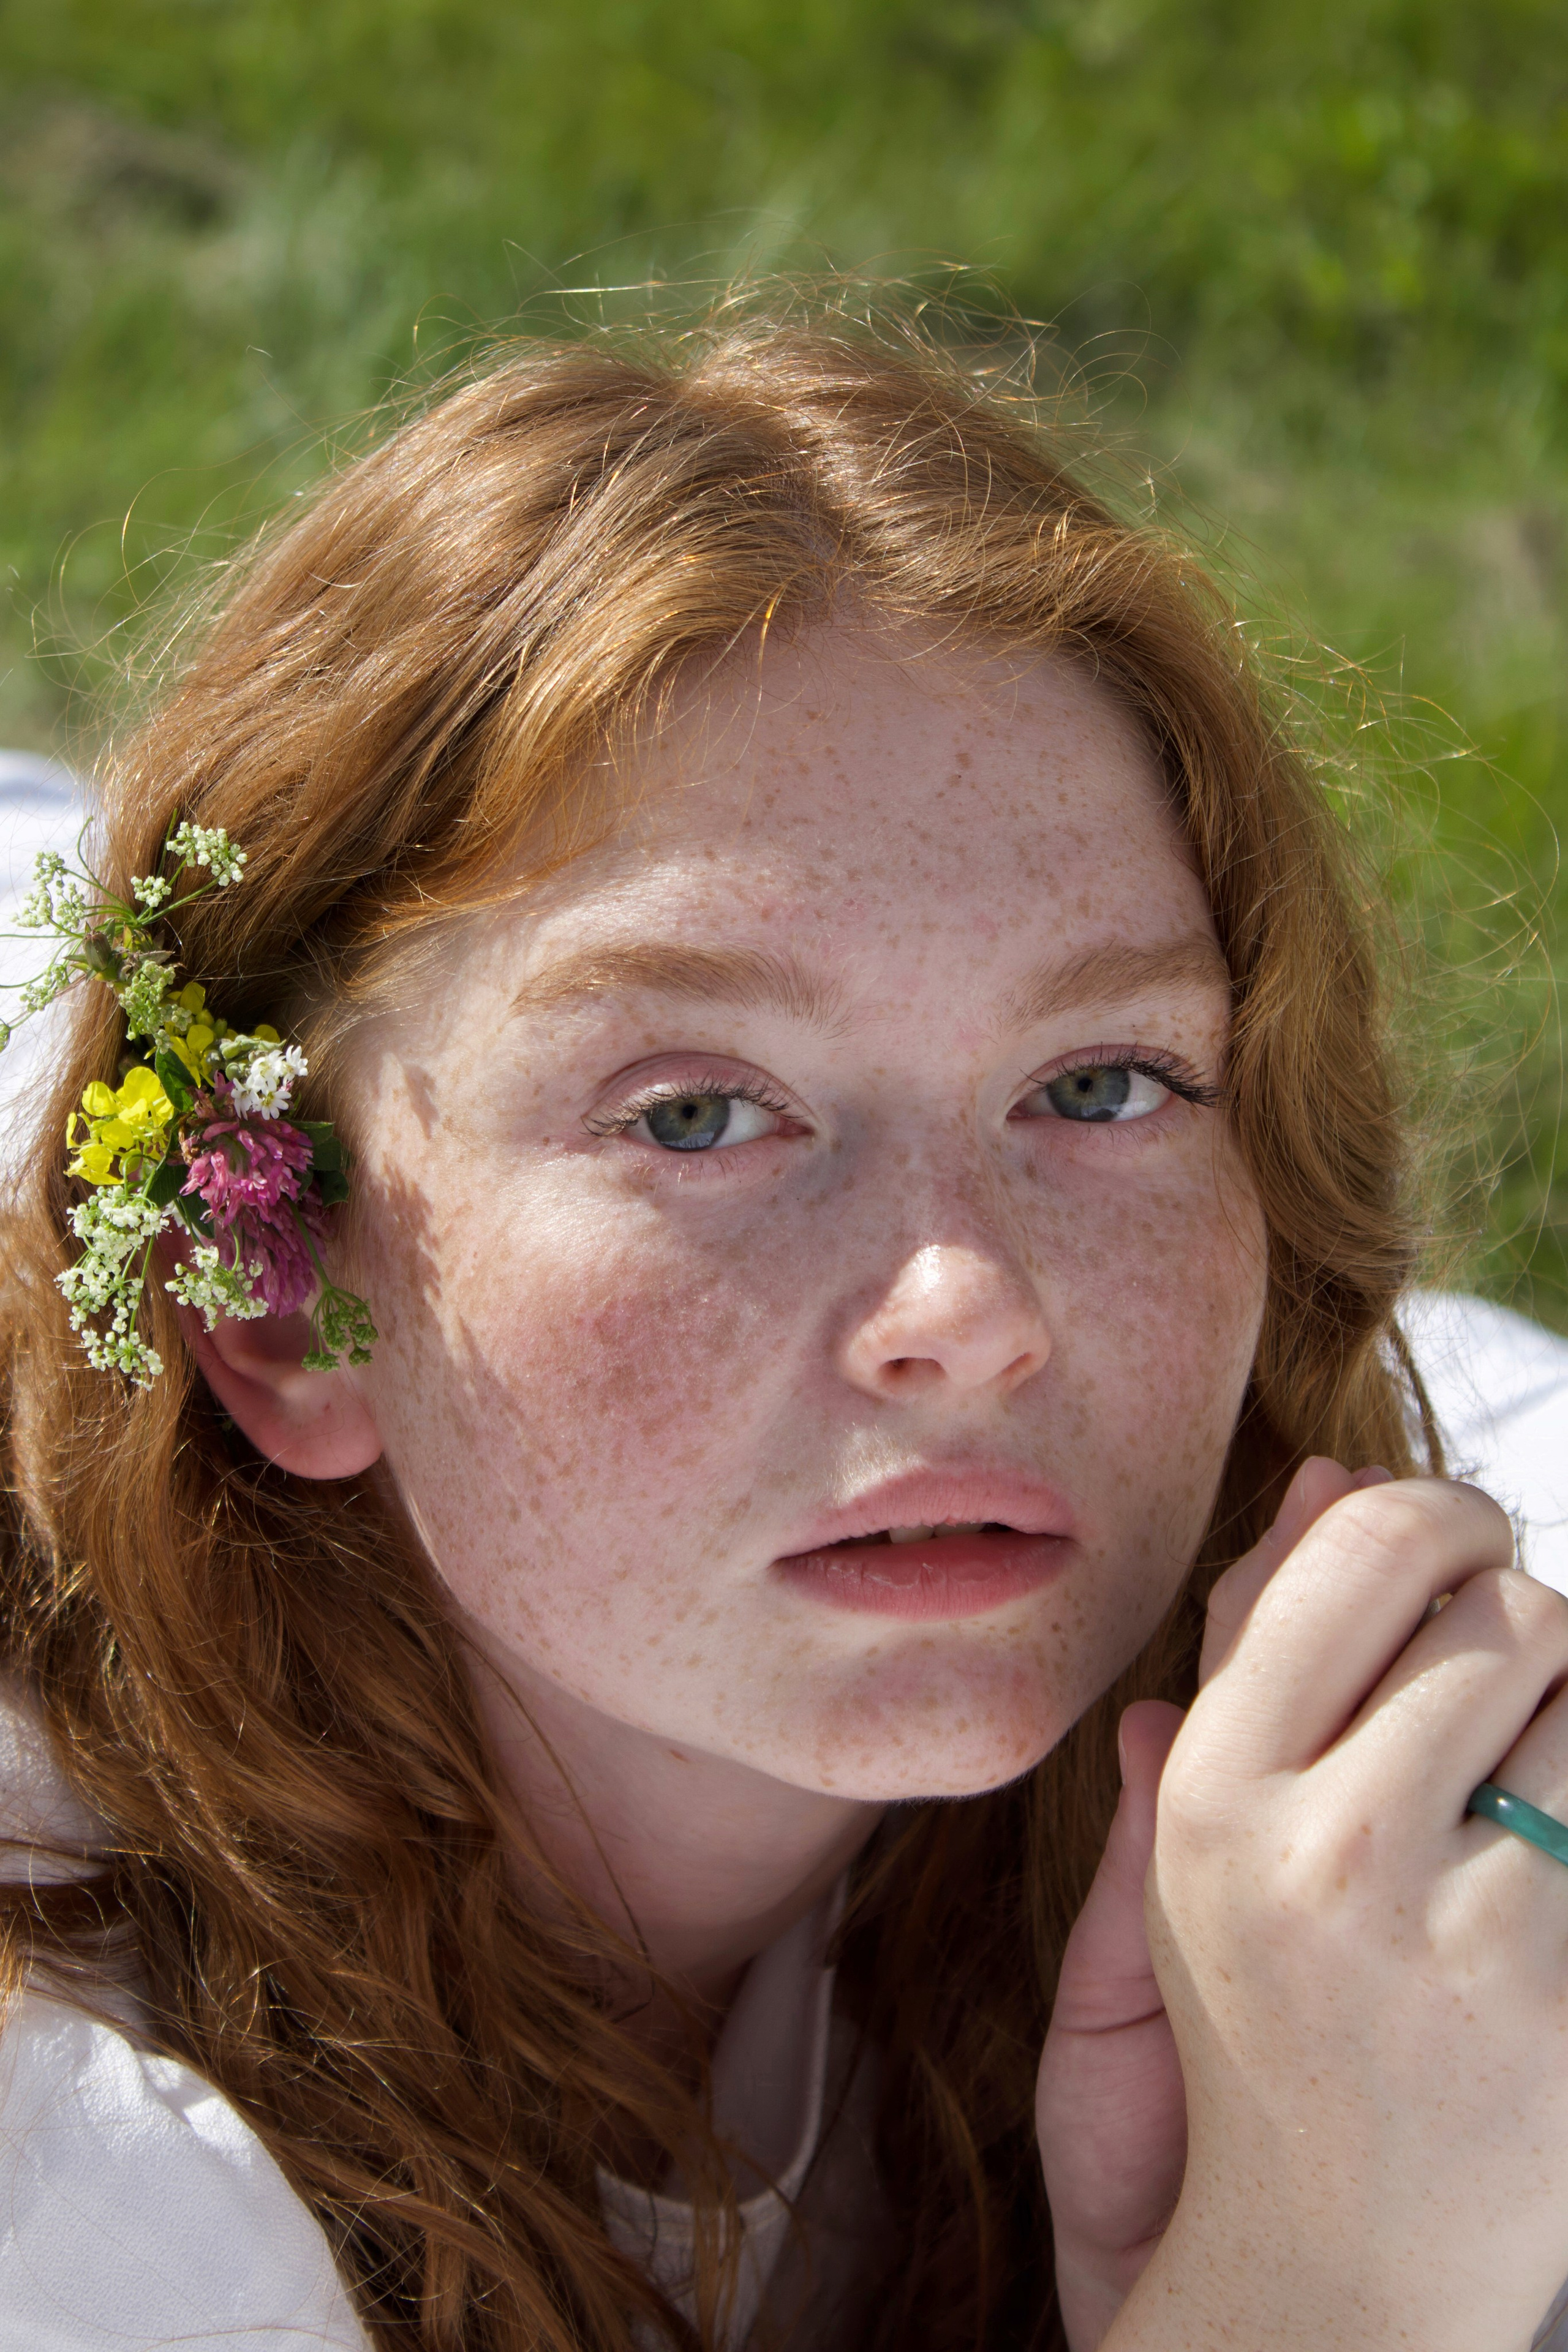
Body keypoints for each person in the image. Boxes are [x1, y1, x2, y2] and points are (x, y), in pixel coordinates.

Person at [1, 304, 1567, 2352]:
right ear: (290, 1304)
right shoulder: (74, 2160)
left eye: (1100, 1084)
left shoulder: (1442, 1670)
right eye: (701, 1112)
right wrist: (1320, 2282)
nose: (975, 1316)